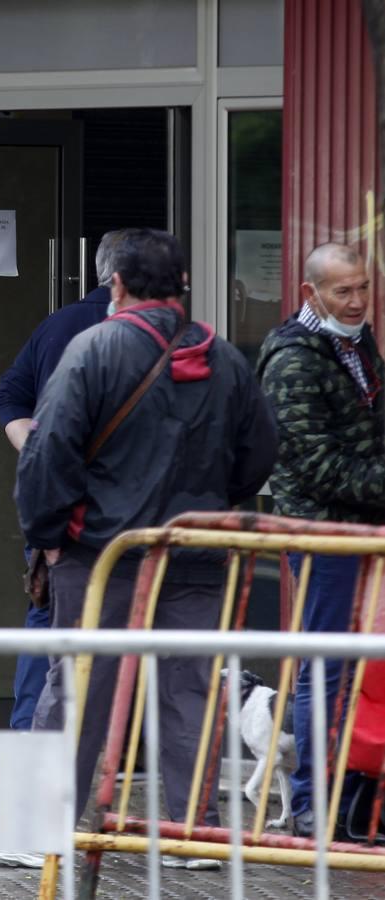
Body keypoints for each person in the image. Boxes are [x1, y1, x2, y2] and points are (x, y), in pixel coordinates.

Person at [17, 228, 277, 863]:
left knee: (77, 690)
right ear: (183, 285)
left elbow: (48, 456)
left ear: (117, 285)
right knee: (190, 689)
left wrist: (49, 541)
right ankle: (194, 835)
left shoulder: (93, 349)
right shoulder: (226, 360)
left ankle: (42, 831)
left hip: (102, 556)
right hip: (196, 556)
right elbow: (259, 455)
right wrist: (212, 510)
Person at [257, 242, 383, 839]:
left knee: (355, 671)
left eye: (363, 287)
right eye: (344, 291)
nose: (357, 301)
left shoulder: (356, 343)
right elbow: (317, 465)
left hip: (359, 534)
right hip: (322, 536)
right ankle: (311, 804)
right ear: (311, 293)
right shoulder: (293, 360)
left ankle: (349, 803)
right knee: (326, 670)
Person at [0, 230, 124, 737]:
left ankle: (31, 735)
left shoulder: (56, 326)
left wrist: (31, 444)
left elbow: (10, 394)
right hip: (114, 509)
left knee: (48, 617)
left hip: (55, 503)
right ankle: (111, 746)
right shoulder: (136, 333)